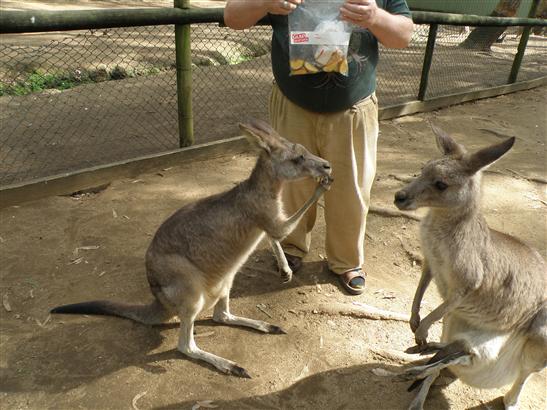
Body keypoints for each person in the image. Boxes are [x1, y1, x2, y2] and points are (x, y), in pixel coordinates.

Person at [224, 0, 413, 295]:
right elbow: (232, 16)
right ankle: (291, 246)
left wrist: (375, 16)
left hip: (353, 109)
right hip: (293, 105)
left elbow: (403, 35)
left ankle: (346, 261)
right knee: (289, 184)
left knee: (351, 190)